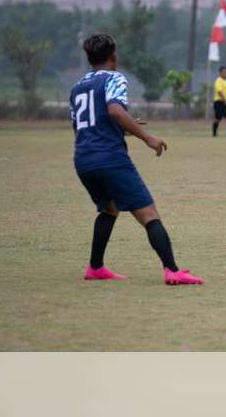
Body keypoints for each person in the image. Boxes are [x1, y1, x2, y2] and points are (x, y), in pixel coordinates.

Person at [69, 33, 203, 285]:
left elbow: (82, 128)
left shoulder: (77, 88)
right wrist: (146, 137)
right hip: (110, 158)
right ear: (114, 56)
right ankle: (172, 270)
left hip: (83, 159)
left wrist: (123, 128)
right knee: (148, 214)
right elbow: (115, 110)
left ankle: (95, 267)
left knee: (109, 208)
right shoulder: (115, 78)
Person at [212, 66, 226, 137]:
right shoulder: (218, 81)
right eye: (224, 72)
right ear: (220, 73)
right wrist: (225, 100)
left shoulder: (225, 82)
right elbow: (219, 92)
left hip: (225, 102)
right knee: (218, 118)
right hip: (219, 102)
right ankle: (214, 133)